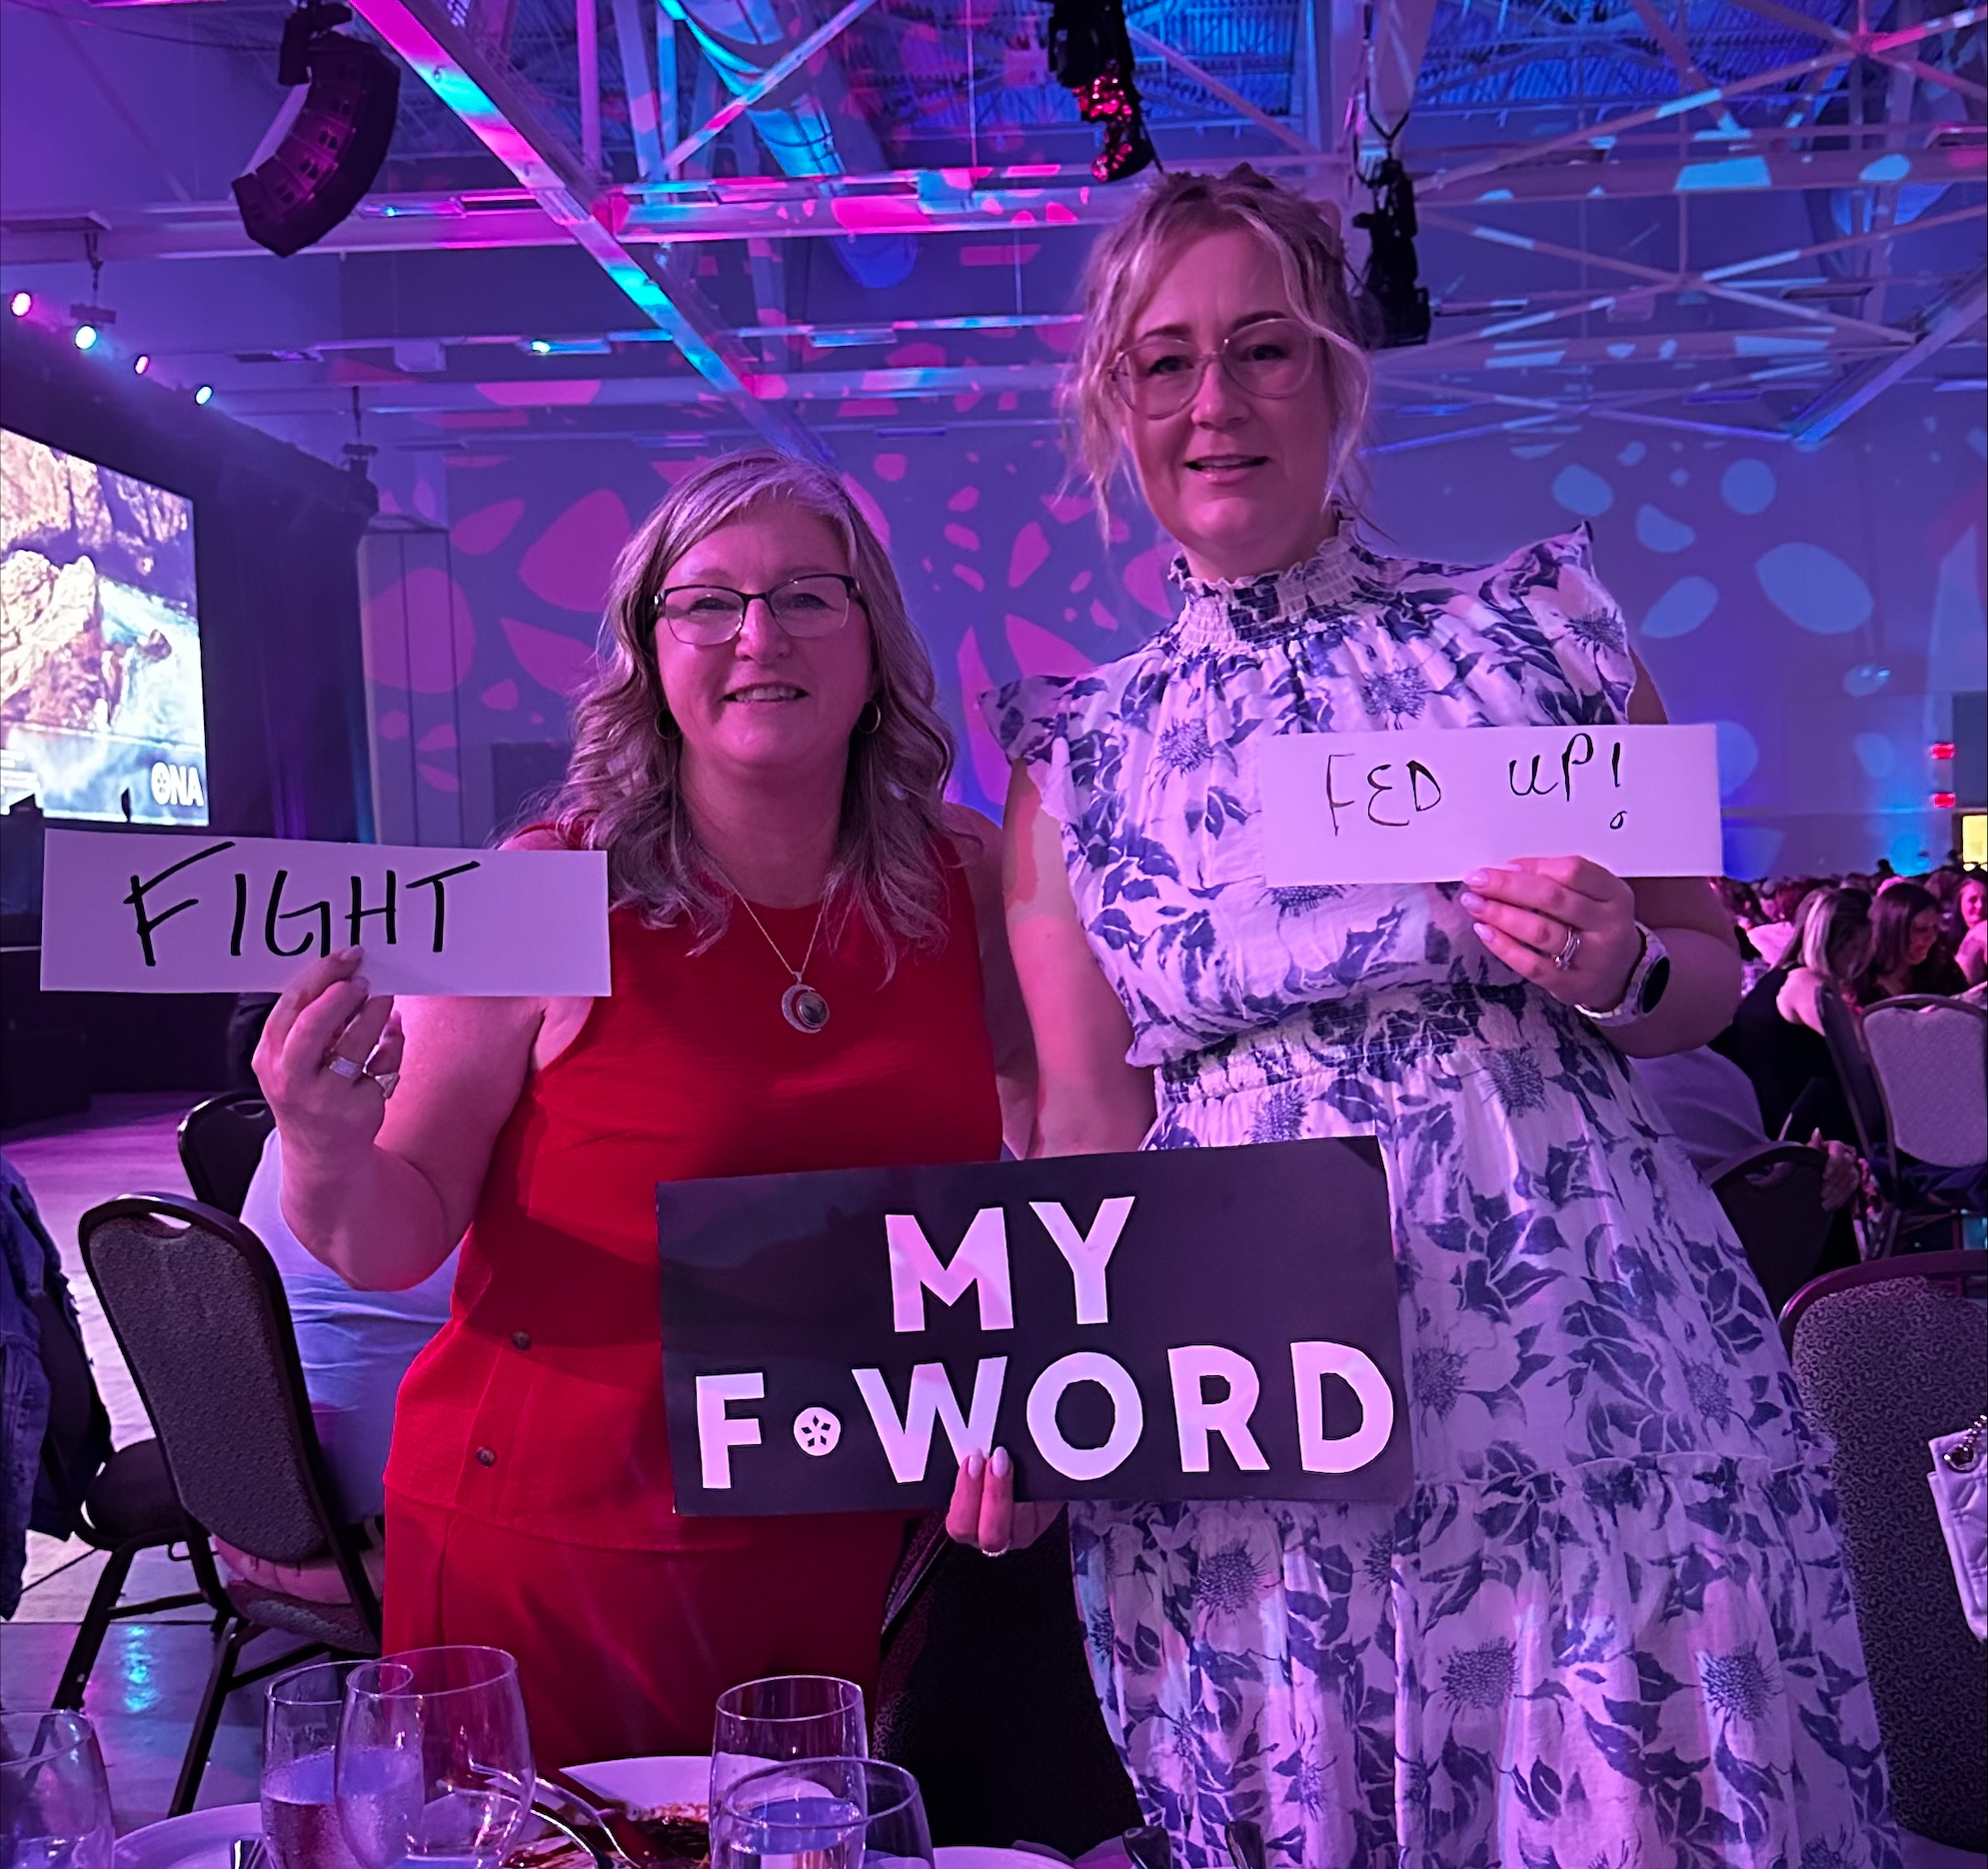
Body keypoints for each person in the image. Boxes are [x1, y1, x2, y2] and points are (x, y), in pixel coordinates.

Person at [950, 166, 1897, 1863]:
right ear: (1110, 408)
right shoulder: (1078, 755)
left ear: (1335, 371)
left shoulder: (1535, 640)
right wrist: (1038, 1388)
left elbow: (1697, 972)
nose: (1214, 401)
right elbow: (1083, 1126)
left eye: (1261, 347)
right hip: (1252, 1408)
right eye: (1161, 362)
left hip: (1576, 1373)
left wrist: (1615, 961)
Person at [255, 449, 1033, 1766]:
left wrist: (1041, 1385)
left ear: (873, 639)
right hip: (560, 1561)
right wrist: (321, 1141)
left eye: (806, 595)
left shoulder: (962, 875)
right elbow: (399, 1229)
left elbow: (1058, 1129)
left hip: (847, 1535)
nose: (757, 635)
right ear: (649, 652)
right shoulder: (543, 886)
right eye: (706, 602)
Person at [1718, 884, 1871, 1143]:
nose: (1861, 959)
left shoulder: (1779, 976)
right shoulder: (1806, 985)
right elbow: (1863, 1045)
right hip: (1800, 1132)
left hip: (1769, 1118)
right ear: (1837, 943)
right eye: (1857, 947)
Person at [1855, 879, 1966, 1002]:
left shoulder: (1944, 969)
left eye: (1935, 928)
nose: (1931, 937)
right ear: (1891, 930)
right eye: (1920, 929)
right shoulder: (1861, 982)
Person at [1956, 871, 1987, 986]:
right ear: (1960, 901)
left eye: (1986, 900)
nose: (1980, 906)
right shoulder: (1940, 939)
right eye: (1972, 900)